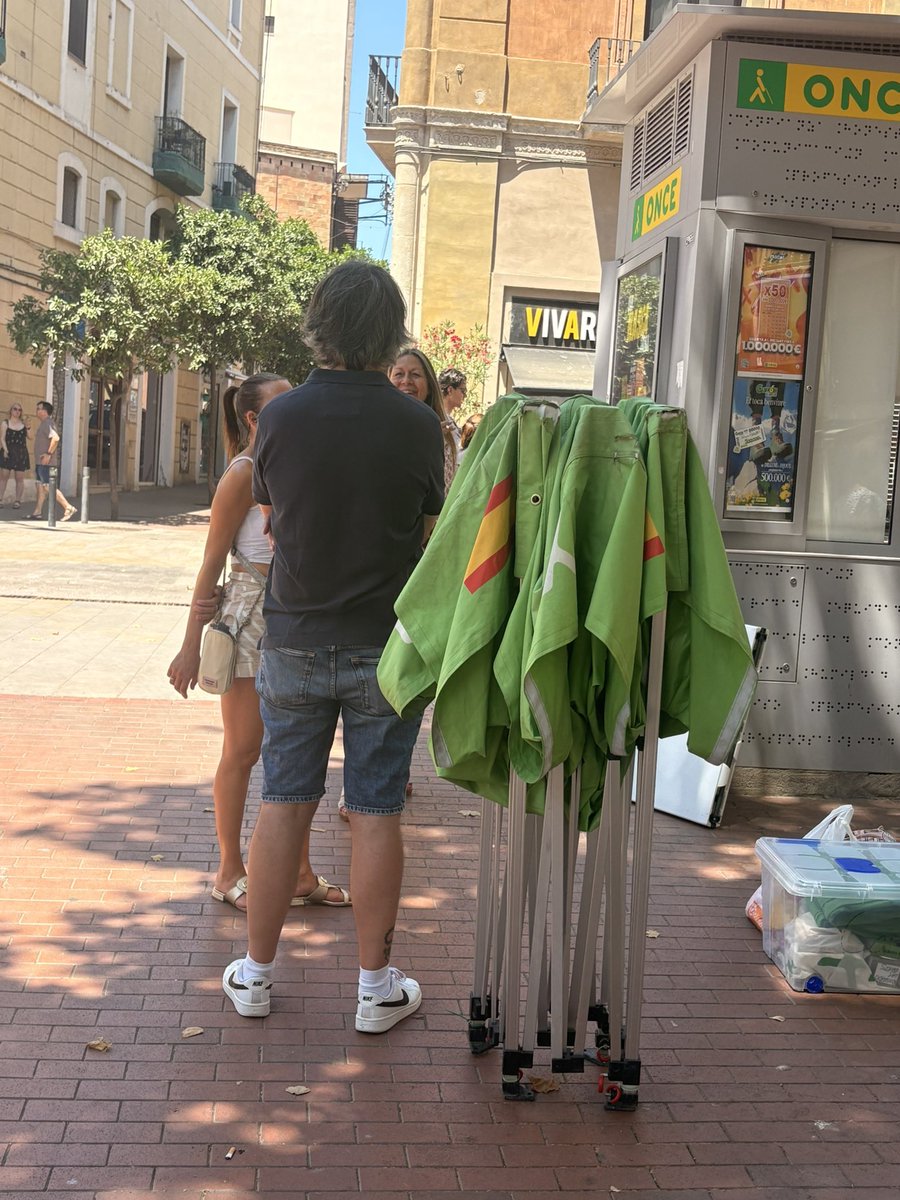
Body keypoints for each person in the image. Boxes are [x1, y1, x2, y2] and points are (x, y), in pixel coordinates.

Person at [222, 261, 444, 1032]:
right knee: (376, 809)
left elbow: (277, 520)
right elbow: (425, 533)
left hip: (294, 638)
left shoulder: (280, 419)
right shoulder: (421, 425)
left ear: (320, 322)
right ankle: (375, 989)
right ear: (390, 331)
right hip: (385, 646)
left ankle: (255, 976)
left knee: (284, 802)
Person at [167, 373, 350, 914]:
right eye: (283, 400)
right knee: (245, 750)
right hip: (251, 618)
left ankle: (298, 874)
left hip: (299, 618)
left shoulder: (289, 466)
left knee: (300, 754)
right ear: (253, 418)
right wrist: (189, 645)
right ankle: (228, 870)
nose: (297, 406)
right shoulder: (244, 472)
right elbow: (211, 562)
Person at [391, 347, 459, 496]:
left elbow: (441, 497)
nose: (406, 381)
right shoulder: (378, 427)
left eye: (415, 375)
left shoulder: (443, 436)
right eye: (399, 374)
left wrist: (430, 441)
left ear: (429, 386)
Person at [29, 401, 76, 521]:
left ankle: (68, 507)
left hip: (47, 463)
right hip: (41, 463)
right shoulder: (44, 424)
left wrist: (48, 454)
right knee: (40, 486)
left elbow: (55, 438)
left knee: (48, 486)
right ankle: (37, 512)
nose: (37, 410)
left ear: (44, 411)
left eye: (38, 408)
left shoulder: (48, 424)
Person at [0, 404, 30, 509]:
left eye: (19, 410)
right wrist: (5, 450)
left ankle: (17, 500)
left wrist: (28, 427)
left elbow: (30, 437)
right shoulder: (5, 423)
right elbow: (2, 438)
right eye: (15, 409)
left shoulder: (23, 424)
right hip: (8, 452)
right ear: (11, 410)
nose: (17, 411)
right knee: (4, 477)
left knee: (19, 478)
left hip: (21, 452)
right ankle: (0, 499)